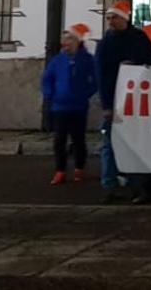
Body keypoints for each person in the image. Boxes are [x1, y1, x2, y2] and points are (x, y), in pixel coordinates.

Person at [94, 0, 151, 203]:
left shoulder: (138, 38)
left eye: (114, 18)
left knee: (134, 145)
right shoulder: (105, 43)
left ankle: (138, 186)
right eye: (108, 18)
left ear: (124, 18)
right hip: (115, 102)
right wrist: (107, 105)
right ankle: (109, 185)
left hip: (137, 102)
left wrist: (135, 64)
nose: (110, 22)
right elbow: (101, 75)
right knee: (109, 145)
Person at [42, 23, 98, 186]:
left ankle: (79, 168)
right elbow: (47, 78)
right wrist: (49, 94)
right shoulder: (57, 60)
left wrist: (86, 93)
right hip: (59, 107)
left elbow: (95, 80)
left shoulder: (87, 60)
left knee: (78, 139)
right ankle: (60, 170)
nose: (65, 43)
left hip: (79, 107)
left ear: (77, 41)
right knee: (59, 140)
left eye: (69, 40)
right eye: (64, 40)